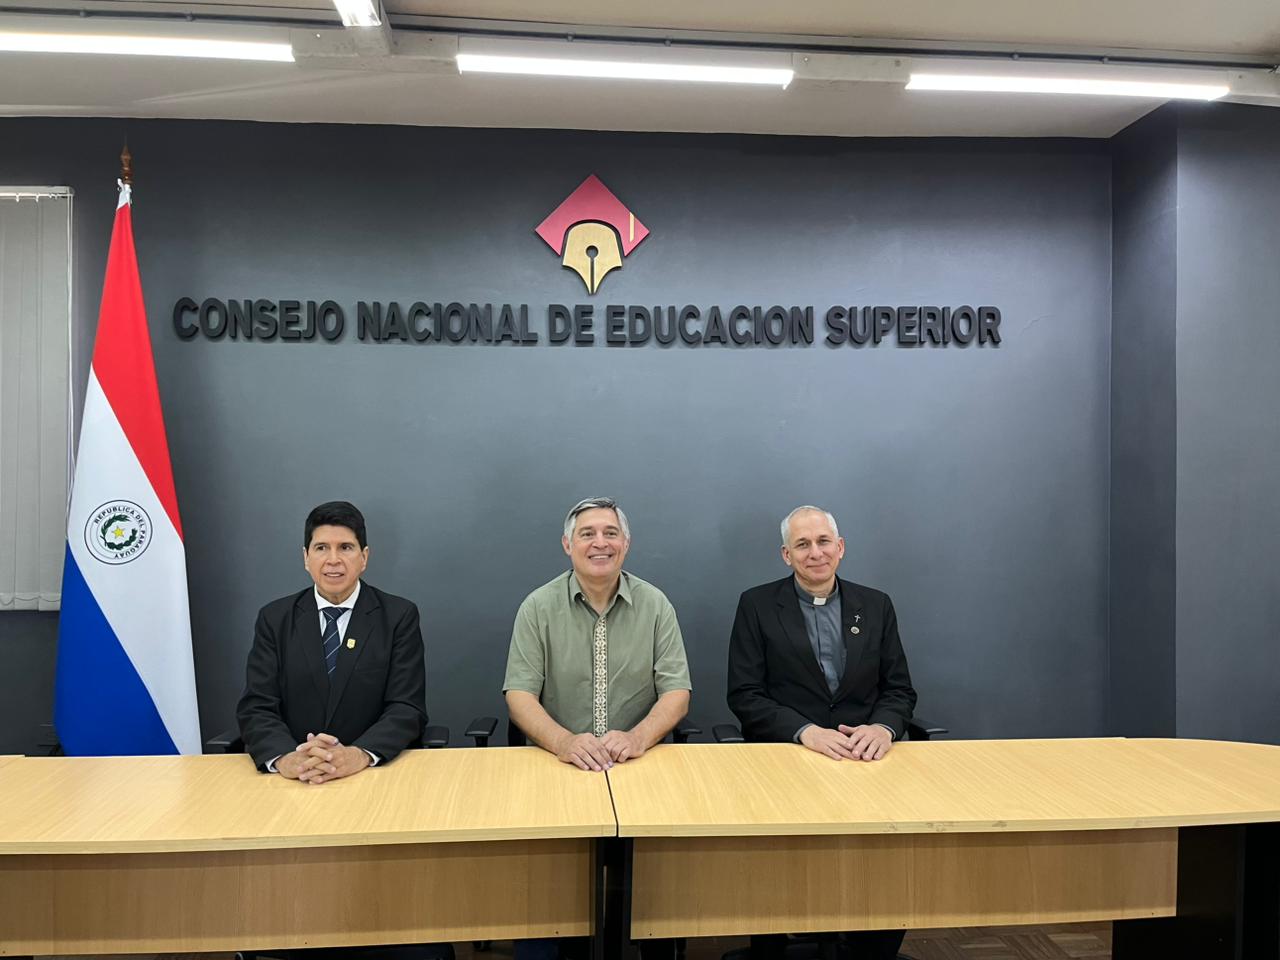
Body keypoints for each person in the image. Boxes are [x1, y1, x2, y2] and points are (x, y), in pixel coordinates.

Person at [504, 496, 691, 960]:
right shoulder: (538, 606)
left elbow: (676, 692)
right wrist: (564, 742)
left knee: (660, 891)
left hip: (639, 767)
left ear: (626, 543)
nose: (599, 543)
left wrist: (638, 737)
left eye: (610, 533)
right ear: (567, 544)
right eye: (587, 534)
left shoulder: (655, 604)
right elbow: (519, 695)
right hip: (559, 768)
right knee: (546, 895)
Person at [727, 505, 916, 960]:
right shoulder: (757, 605)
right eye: (803, 544)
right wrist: (805, 731)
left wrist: (883, 729)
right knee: (780, 863)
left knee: (887, 864)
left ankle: (871, 951)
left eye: (824, 542)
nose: (815, 553)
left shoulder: (876, 605)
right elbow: (745, 694)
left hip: (864, 762)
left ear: (841, 547)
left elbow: (899, 690)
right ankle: (772, 947)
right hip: (786, 761)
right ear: (786, 555)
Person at [237, 500, 427, 783]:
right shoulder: (275, 619)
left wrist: (359, 755)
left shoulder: (398, 616)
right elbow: (257, 706)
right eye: (321, 548)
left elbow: (407, 707)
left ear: (364, 557)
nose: (333, 560)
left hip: (372, 775)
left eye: (345, 547)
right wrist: (286, 758)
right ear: (306, 557)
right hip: (295, 778)